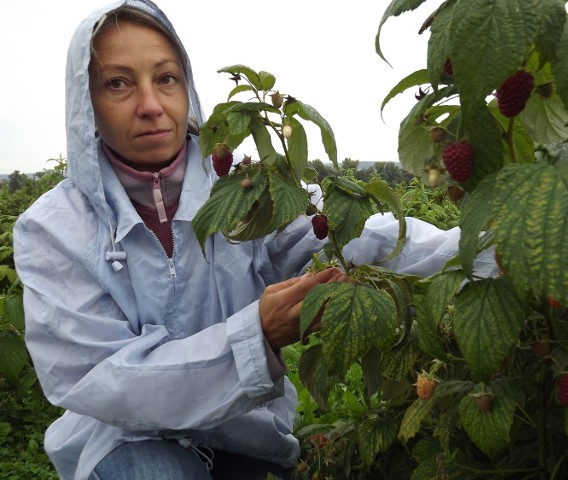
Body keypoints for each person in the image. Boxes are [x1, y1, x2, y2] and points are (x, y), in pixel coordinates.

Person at [13, 1, 496, 479]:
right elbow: (104, 380)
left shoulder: (250, 188)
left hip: (244, 430)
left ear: (188, 88)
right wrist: (254, 335)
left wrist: (488, 250)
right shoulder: (51, 230)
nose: (151, 106)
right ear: (86, 103)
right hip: (122, 439)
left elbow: (352, 237)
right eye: (117, 83)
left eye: (166, 78)